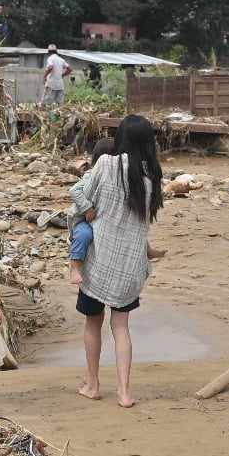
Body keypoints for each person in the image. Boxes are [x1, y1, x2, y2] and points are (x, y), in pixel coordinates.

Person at [69, 114, 165, 408]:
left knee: (92, 324)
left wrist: (87, 211)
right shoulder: (151, 179)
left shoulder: (107, 164)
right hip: (129, 268)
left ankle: (93, 384)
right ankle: (124, 392)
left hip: (99, 262)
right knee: (121, 328)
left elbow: (80, 194)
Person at [67, 137, 117, 288]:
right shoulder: (92, 175)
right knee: (84, 235)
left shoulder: (116, 176)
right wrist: (87, 208)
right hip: (83, 218)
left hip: (101, 218)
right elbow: (74, 190)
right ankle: (75, 267)